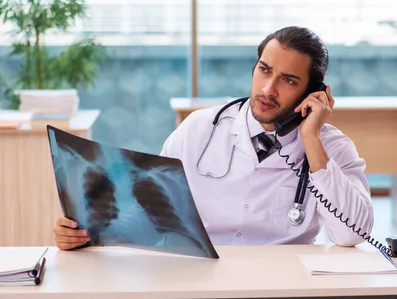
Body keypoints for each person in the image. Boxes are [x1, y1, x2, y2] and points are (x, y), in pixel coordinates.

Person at [52, 26, 374, 253]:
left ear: (312, 93)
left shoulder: (330, 149)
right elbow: (148, 207)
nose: (267, 89)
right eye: (264, 70)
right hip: (191, 284)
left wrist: (310, 140)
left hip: (267, 298)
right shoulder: (200, 129)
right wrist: (86, 231)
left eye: (287, 81)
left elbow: (352, 234)